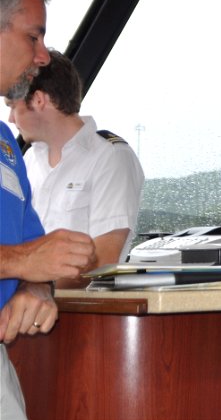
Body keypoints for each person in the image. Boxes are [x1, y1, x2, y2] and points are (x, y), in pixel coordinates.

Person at [0, 0, 97, 420]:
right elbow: (23, 256)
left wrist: (36, 287)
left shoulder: (5, 147)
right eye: (32, 37)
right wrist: (21, 264)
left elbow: (33, 253)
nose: (42, 56)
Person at [6, 50, 144, 282]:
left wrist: (35, 290)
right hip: (27, 309)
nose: (10, 119)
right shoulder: (28, 162)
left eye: (13, 106)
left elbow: (103, 261)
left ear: (39, 100)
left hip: (82, 313)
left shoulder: (110, 157)